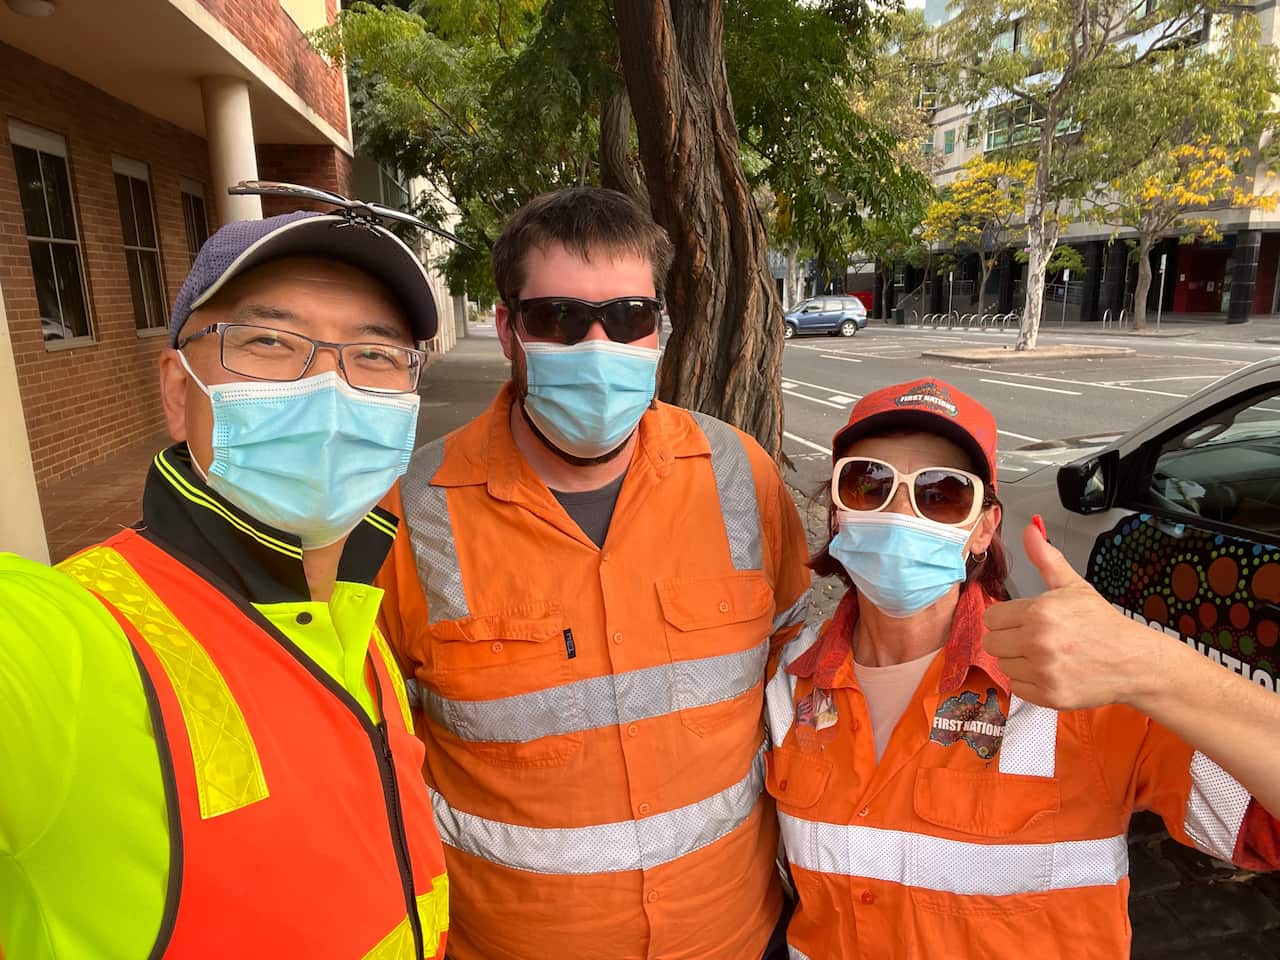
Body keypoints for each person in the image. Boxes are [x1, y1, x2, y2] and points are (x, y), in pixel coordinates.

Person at [0, 201, 450, 959]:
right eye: (270, 341)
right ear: (178, 392)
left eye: (375, 356)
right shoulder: (74, 639)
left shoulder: (352, 618)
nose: (329, 388)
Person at [376, 187, 812, 960]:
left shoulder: (739, 475)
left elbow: (794, 674)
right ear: (508, 329)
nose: (598, 346)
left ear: (658, 331)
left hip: (735, 938)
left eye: (629, 316)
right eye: (559, 320)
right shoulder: (407, 515)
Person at [764, 377, 1280, 959]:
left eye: (942, 493)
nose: (900, 513)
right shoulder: (786, 681)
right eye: (868, 484)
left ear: (983, 527)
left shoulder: (1086, 684)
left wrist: (1152, 665)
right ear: (838, 512)